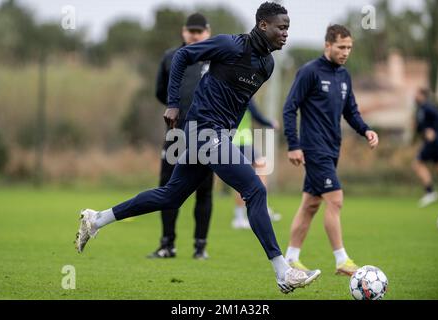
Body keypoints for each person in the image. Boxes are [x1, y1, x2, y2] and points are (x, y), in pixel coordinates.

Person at [75, 2, 321, 294]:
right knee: (255, 189)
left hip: (212, 135)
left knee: (171, 196)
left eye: (288, 29)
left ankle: (97, 219)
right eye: (282, 27)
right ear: (263, 25)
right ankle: (283, 272)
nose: (285, 34)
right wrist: (173, 103)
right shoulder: (229, 45)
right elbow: (182, 55)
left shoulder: (267, 65)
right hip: (203, 130)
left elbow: (236, 101)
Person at [282, 24, 379, 276]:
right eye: (341, 47)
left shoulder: (344, 76)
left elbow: (351, 111)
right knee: (335, 200)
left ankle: (291, 257)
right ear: (328, 45)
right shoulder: (309, 72)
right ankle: (342, 260)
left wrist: (365, 129)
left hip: (332, 147)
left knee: (311, 204)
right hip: (314, 148)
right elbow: (289, 108)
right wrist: (293, 145)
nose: (346, 52)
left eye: (349, 47)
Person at [151, 13, 213, 260]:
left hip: (206, 133)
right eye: (191, 31)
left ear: (208, 32)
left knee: (204, 190)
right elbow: (160, 92)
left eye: (199, 31)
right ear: (183, 31)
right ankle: (167, 244)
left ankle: (200, 247)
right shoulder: (171, 57)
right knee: (167, 187)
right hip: (176, 134)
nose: (195, 35)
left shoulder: (214, 57)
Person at [231, 99, 281, 229]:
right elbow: (257, 115)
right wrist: (271, 123)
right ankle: (248, 213)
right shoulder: (244, 93)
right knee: (251, 173)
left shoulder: (228, 92)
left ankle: (254, 211)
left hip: (238, 142)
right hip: (240, 142)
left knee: (255, 171)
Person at [412, 87, 438, 208]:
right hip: (433, 142)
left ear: (422, 95)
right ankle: (430, 192)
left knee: (417, 164)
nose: (414, 96)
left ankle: (430, 192)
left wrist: (433, 131)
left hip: (433, 142)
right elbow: (420, 127)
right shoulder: (420, 108)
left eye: (416, 94)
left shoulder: (427, 107)